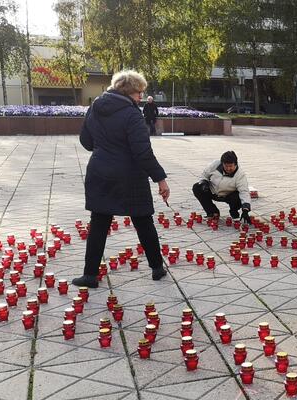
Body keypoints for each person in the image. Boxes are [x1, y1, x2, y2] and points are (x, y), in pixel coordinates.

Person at [73, 70, 170, 288]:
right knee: (143, 221)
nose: (141, 98)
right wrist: (160, 179)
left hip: (99, 173)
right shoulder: (132, 114)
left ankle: (89, 275)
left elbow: (86, 141)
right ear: (128, 92)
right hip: (130, 176)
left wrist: (104, 149)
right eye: (139, 93)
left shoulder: (95, 107)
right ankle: (157, 268)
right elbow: (142, 152)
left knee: (98, 223)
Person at [192, 151, 251, 223]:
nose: (228, 169)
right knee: (197, 187)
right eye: (226, 166)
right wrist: (204, 182)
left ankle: (234, 213)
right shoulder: (215, 164)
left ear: (235, 164)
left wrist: (245, 209)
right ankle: (212, 212)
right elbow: (204, 175)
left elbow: (244, 192)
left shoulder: (240, 174)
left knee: (237, 196)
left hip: (228, 195)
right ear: (222, 163)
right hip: (212, 191)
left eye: (230, 166)